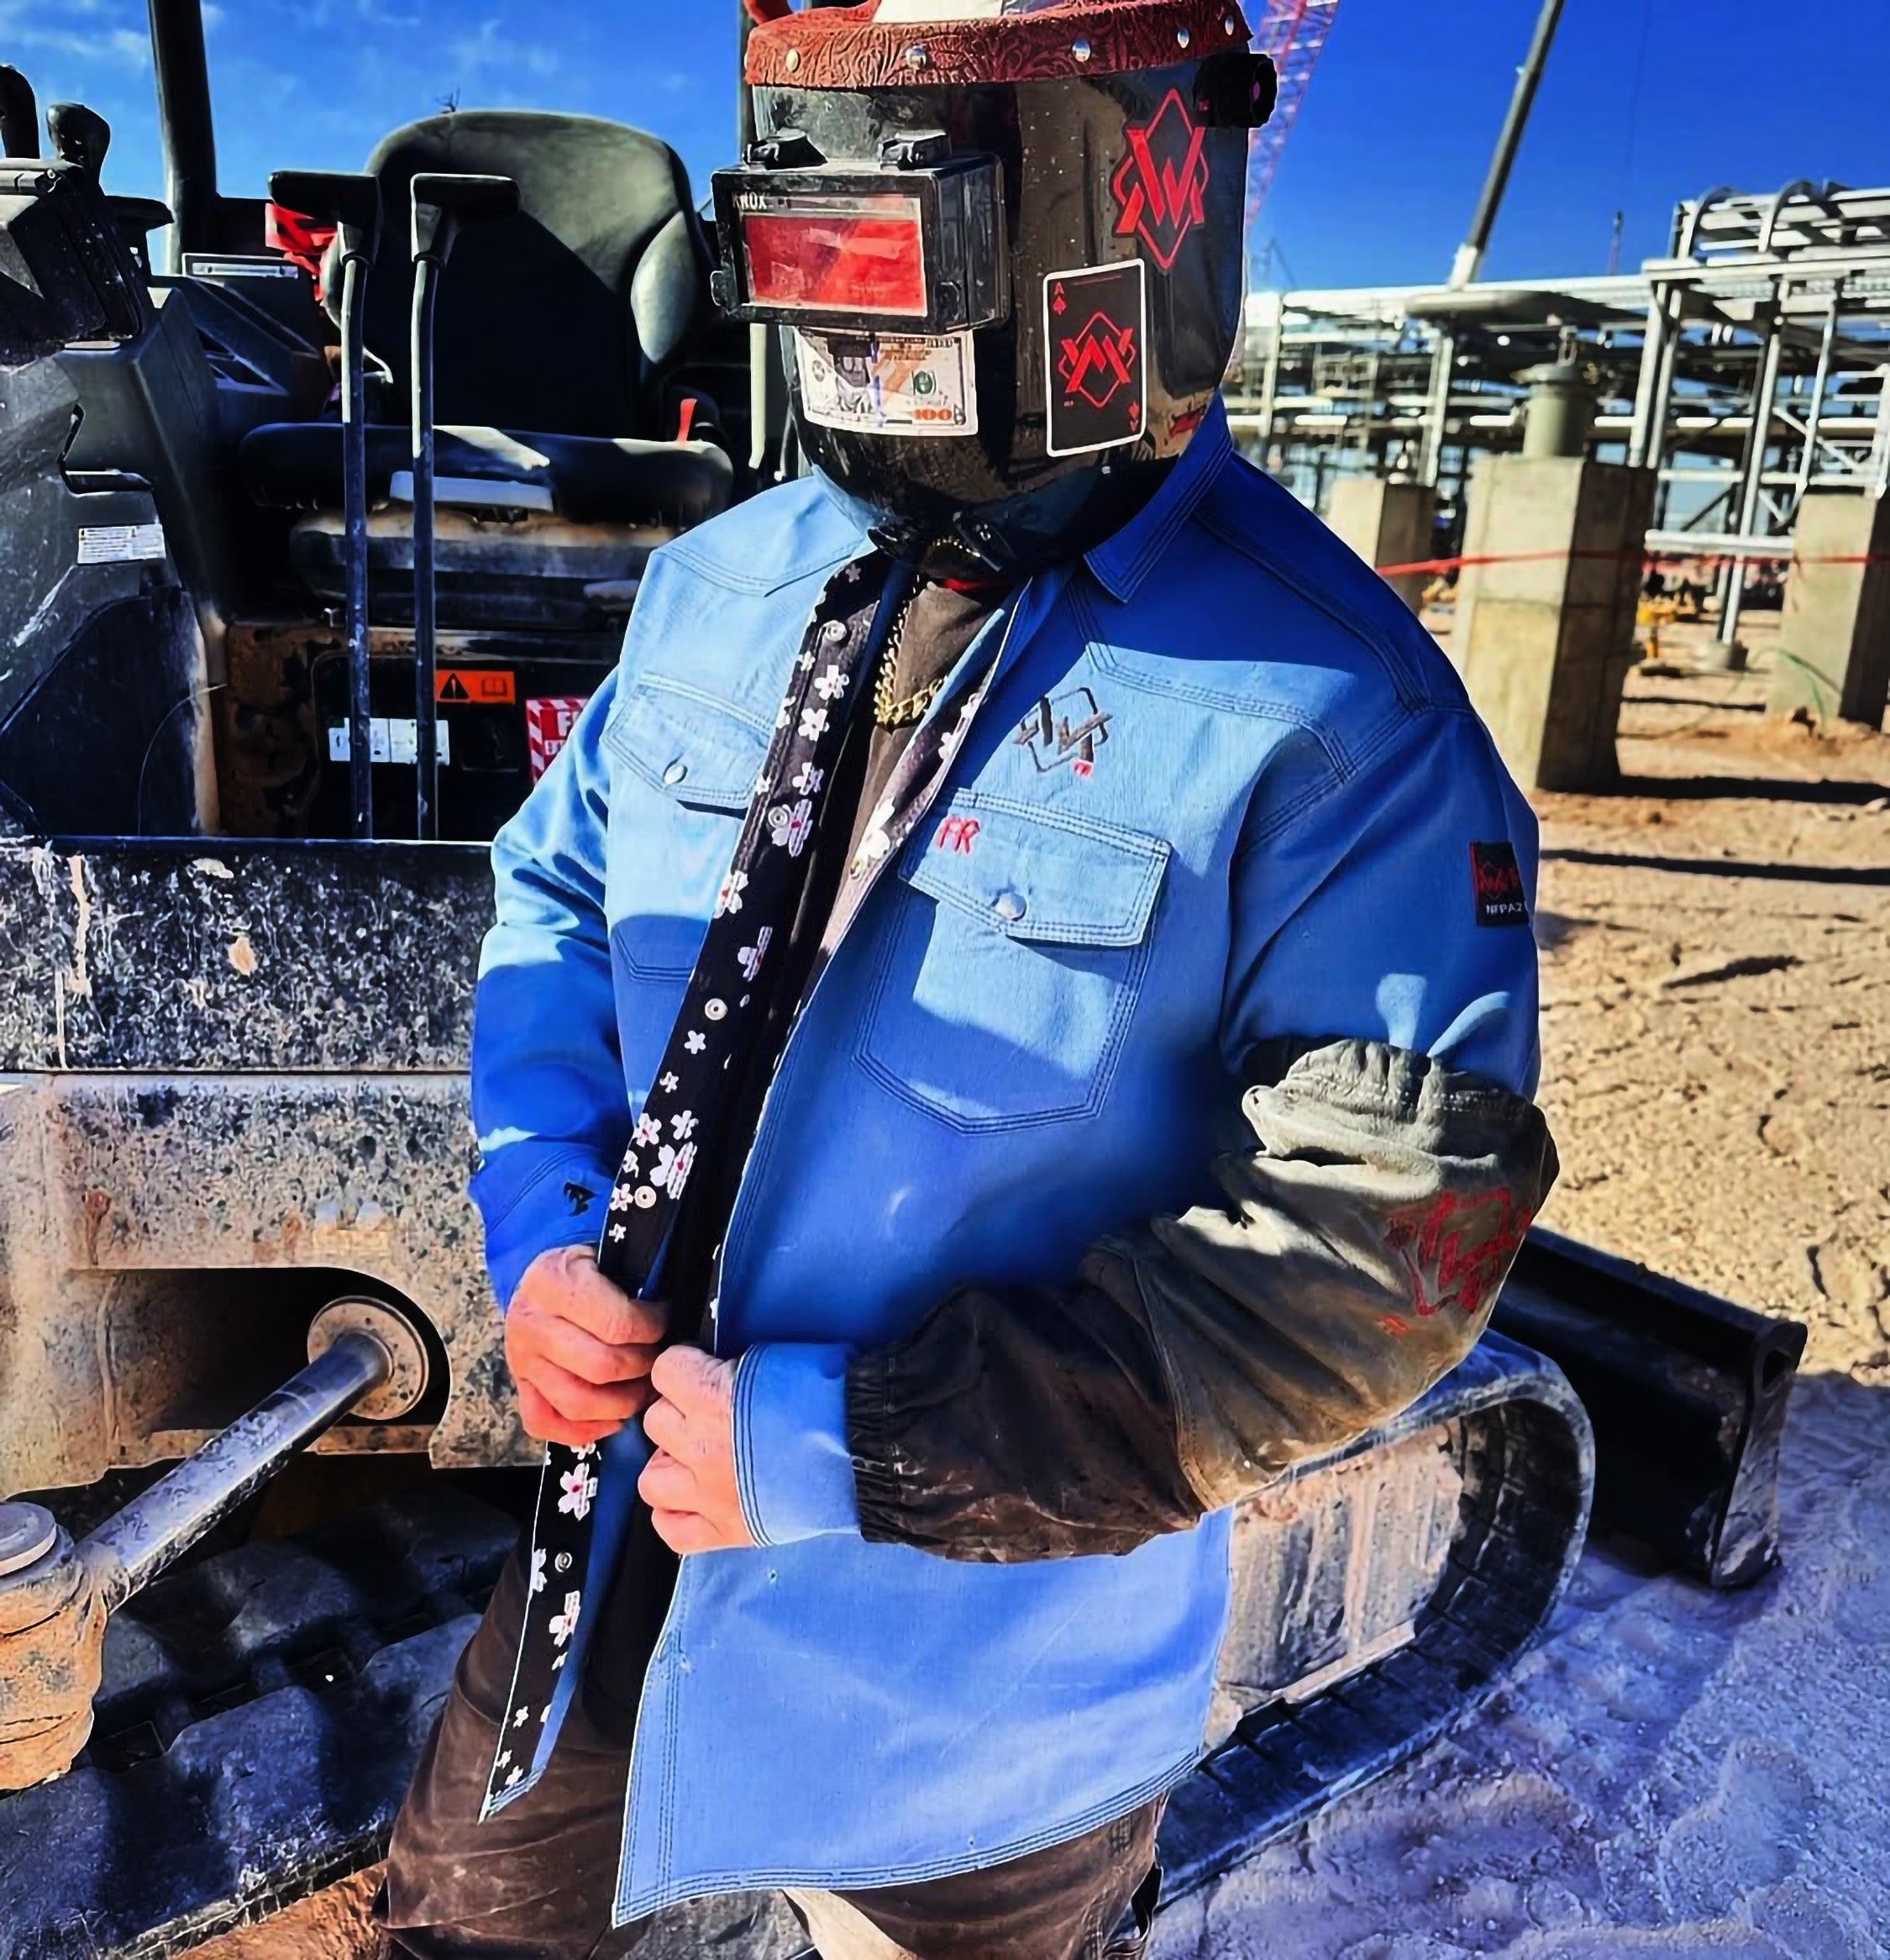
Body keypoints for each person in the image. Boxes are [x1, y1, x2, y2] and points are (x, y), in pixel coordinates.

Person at [377, 3, 1558, 1954]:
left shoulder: (1345, 723)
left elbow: (1370, 1251)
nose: (858, 340)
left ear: (1131, 201)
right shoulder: (715, 583)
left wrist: (852, 1448)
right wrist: (537, 1218)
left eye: (895, 273)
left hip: (989, 1679)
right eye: (814, 271)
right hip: (612, 1573)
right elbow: (560, 897)